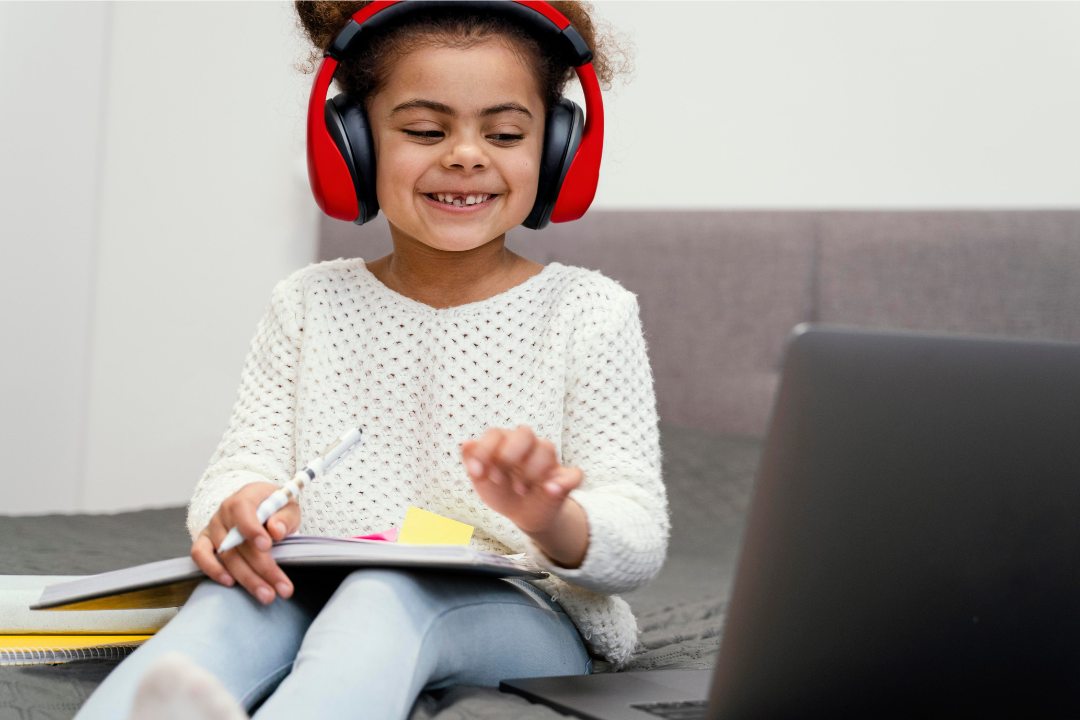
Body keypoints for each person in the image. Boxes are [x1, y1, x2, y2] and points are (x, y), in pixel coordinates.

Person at [74, 2, 667, 719]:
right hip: (316, 581)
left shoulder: (590, 313)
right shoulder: (307, 303)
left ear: (556, 149)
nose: (466, 155)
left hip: (525, 612)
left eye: (505, 133)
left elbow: (637, 543)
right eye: (425, 130)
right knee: (221, 613)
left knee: (382, 599)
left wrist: (551, 517)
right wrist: (243, 506)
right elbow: (240, 466)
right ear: (351, 142)